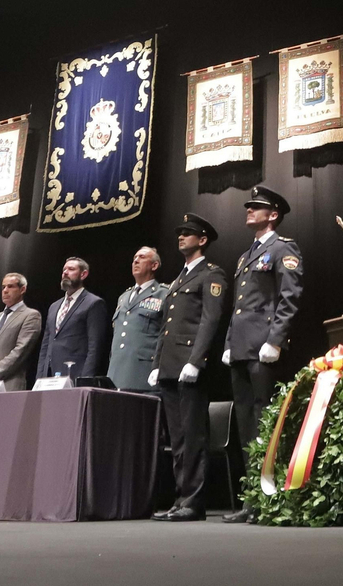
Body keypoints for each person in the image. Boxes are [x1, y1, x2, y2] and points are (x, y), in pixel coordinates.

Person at [221, 185, 303, 524]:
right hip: (241, 347)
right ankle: (252, 499)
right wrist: (228, 343)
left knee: (265, 421)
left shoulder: (283, 248)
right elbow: (238, 308)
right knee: (245, 424)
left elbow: (289, 296)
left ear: (273, 214)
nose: (248, 210)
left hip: (263, 348)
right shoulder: (245, 256)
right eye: (249, 206)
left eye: (256, 206)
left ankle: (269, 498)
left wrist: (276, 339)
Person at [149, 215, 229, 522]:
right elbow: (166, 327)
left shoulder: (212, 274)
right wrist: (157, 363)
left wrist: (196, 361)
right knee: (178, 438)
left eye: (188, 233)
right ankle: (181, 498)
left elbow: (210, 321)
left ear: (202, 239)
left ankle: (193, 501)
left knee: (194, 436)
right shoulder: (179, 279)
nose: (181, 237)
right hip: (170, 367)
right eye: (179, 233)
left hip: (190, 367)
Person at [35, 258, 107, 380]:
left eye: (71, 269)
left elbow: (95, 346)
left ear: (83, 274)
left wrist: (85, 379)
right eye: (64, 269)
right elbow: (46, 344)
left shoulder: (93, 303)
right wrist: (39, 377)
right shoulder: (54, 306)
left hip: (74, 374)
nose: (65, 272)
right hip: (49, 375)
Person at [108, 246, 168, 392]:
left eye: (142, 257)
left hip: (143, 372)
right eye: (135, 258)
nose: (136, 261)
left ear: (154, 265)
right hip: (116, 372)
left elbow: (166, 335)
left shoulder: (164, 294)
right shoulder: (124, 297)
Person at [0, 273, 42, 390]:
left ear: (22, 289)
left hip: (9, 384)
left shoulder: (31, 315)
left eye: (10, 286)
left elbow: (20, 352)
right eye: (3, 287)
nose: (5, 290)